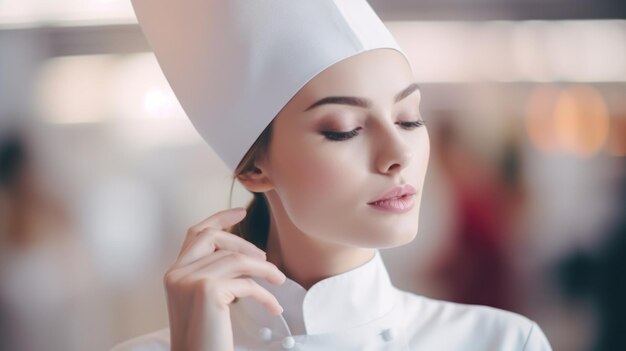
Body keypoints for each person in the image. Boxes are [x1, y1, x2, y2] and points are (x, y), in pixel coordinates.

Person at [111, 1, 553, 350]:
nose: (398, 154)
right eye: (345, 129)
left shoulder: (503, 342)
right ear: (254, 167)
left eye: (409, 119)